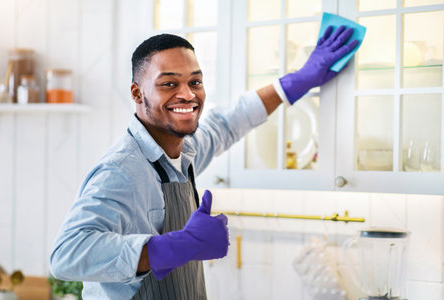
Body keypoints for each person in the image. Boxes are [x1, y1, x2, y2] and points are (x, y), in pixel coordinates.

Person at [49, 26, 359, 300]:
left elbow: (227, 123)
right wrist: (180, 245)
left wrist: (294, 83)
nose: (187, 94)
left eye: (195, 82)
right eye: (169, 84)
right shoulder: (122, 170)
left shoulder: (184, 151)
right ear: (137, 92)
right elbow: (66, 254)